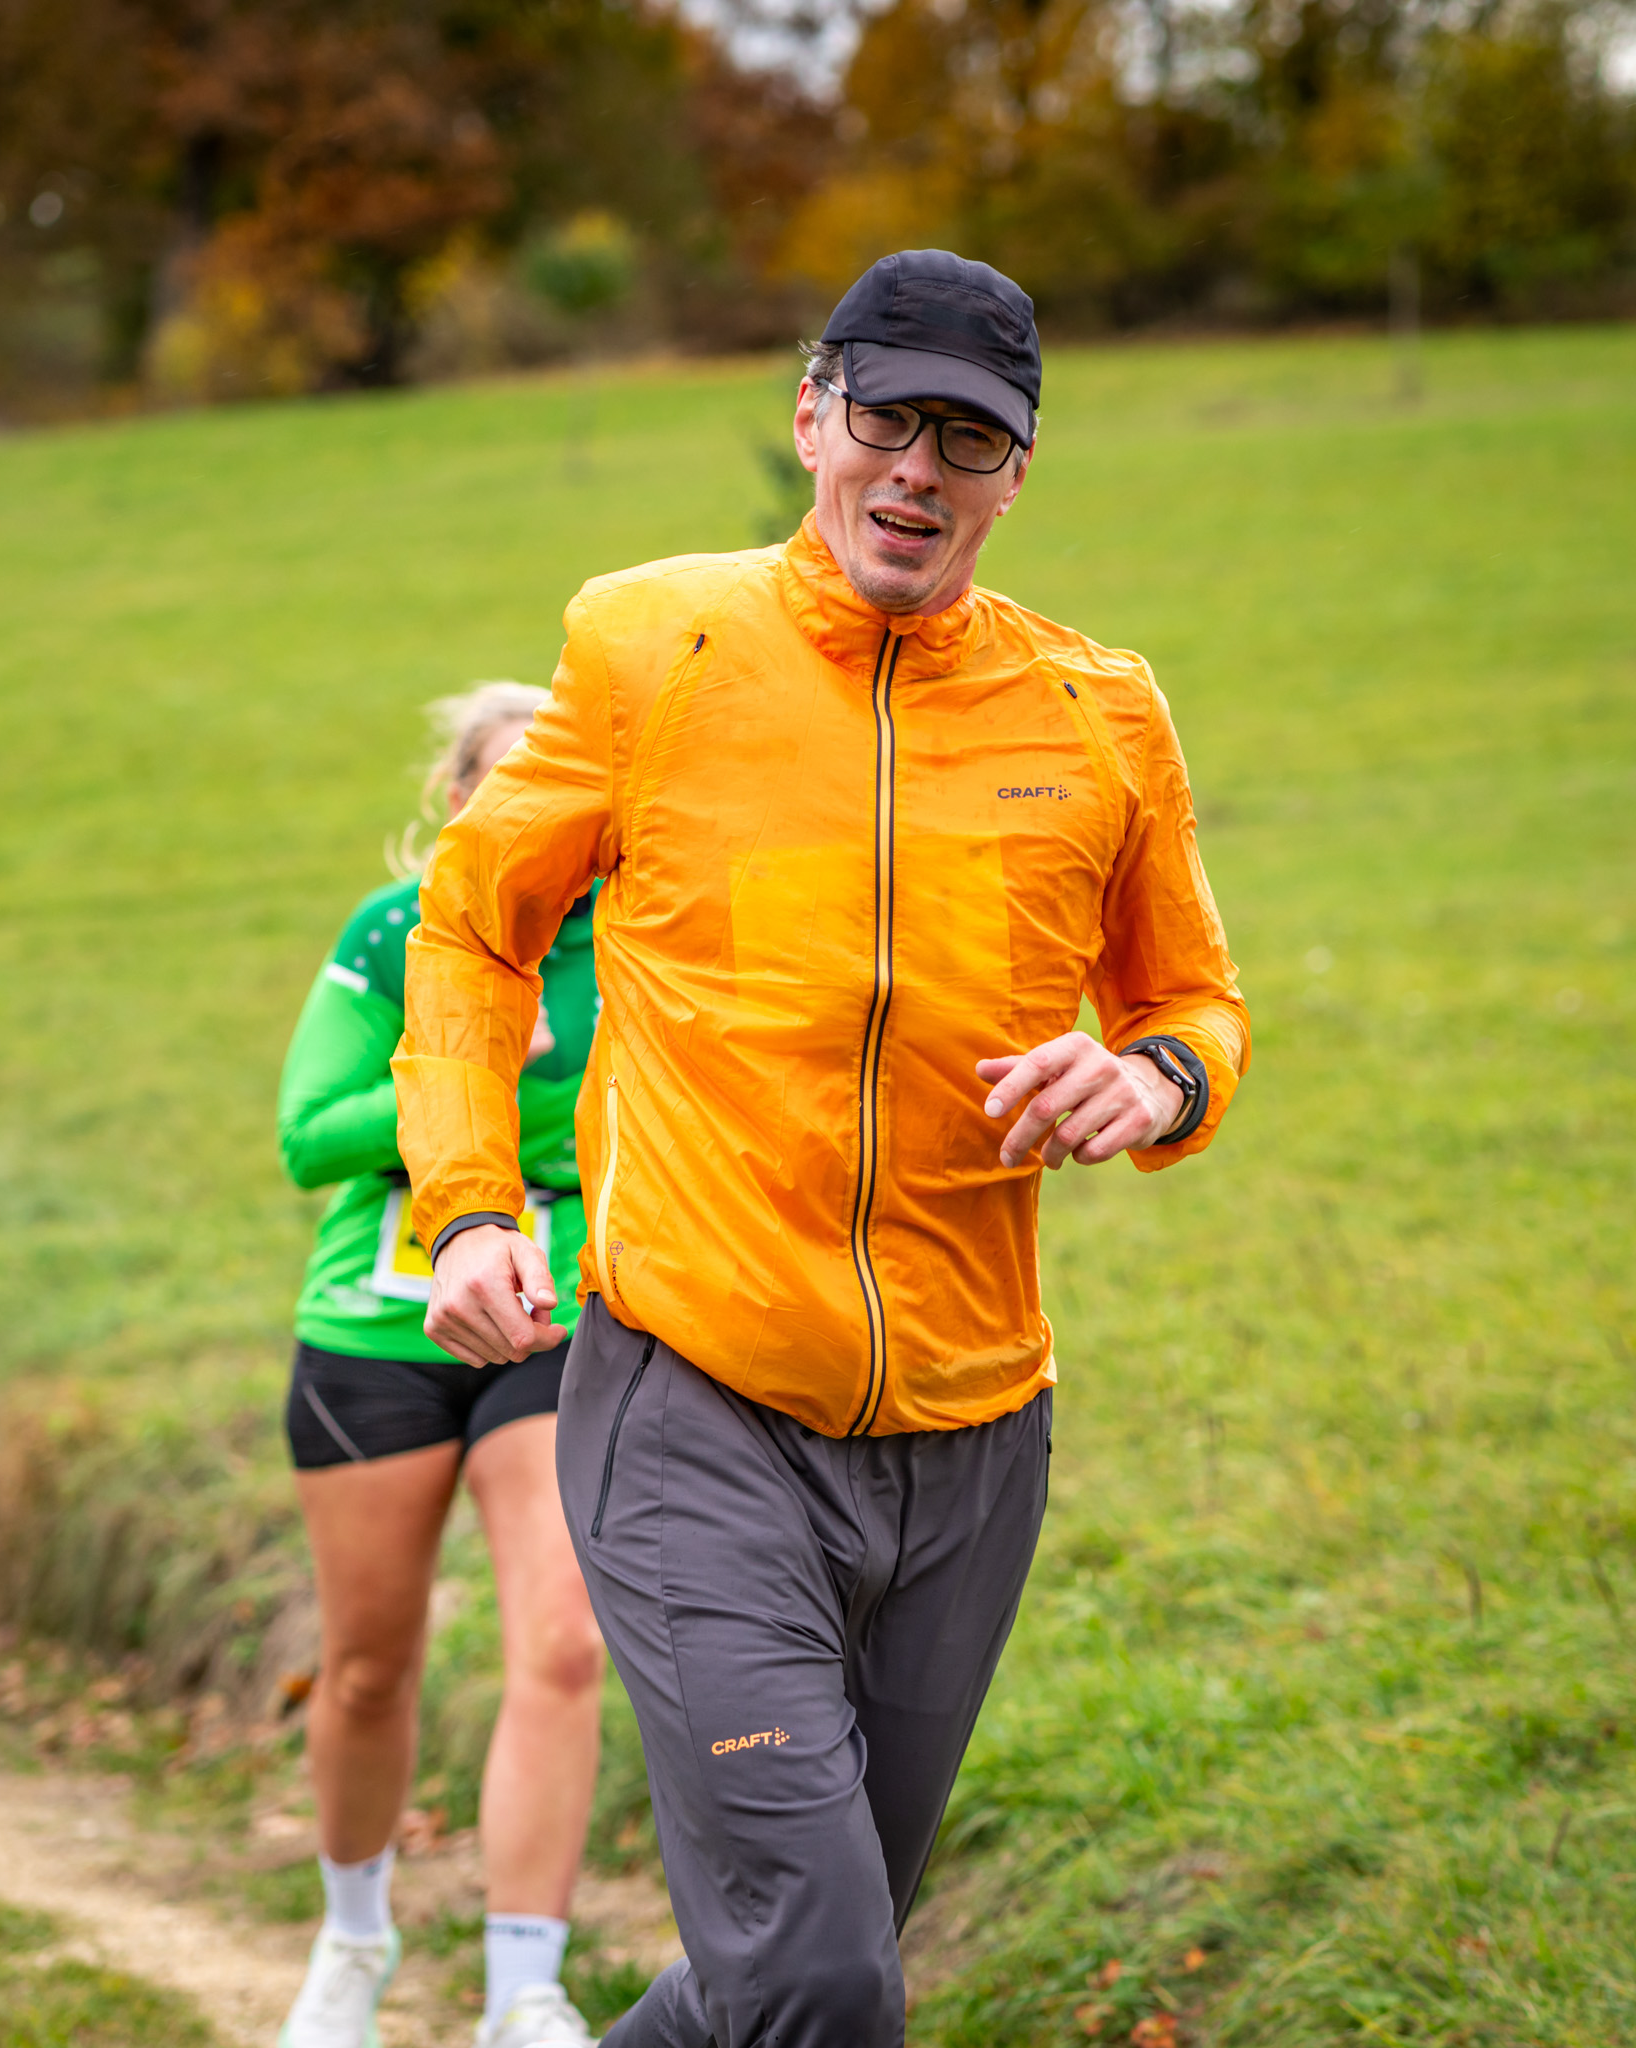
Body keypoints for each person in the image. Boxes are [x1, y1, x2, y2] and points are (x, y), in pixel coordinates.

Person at [395, 249, 1251, 2047]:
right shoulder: (653, 646)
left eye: (968, 438)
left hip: (971, 1437)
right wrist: (468, 1203)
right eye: (886, 420)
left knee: (779, 1972)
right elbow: (469, 929)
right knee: (819, 1971)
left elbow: (1193, 1000)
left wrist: (1156, 1081)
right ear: (810, 418)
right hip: (697, 1399)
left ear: (1017, 473)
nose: (917, 471)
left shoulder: (1098, 713)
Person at [275, 683, 604, 2048]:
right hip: (380, 1323)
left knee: (566, 1644)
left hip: (559, 1316)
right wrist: (465, 1067)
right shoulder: (391, 930)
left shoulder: (635, 936)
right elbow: (309, 1133)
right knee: (367, 1665)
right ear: (458, 799)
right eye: (501, 781)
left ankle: (523, 1989)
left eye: (558, 785)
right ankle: (352, 1940)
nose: (530, 809)